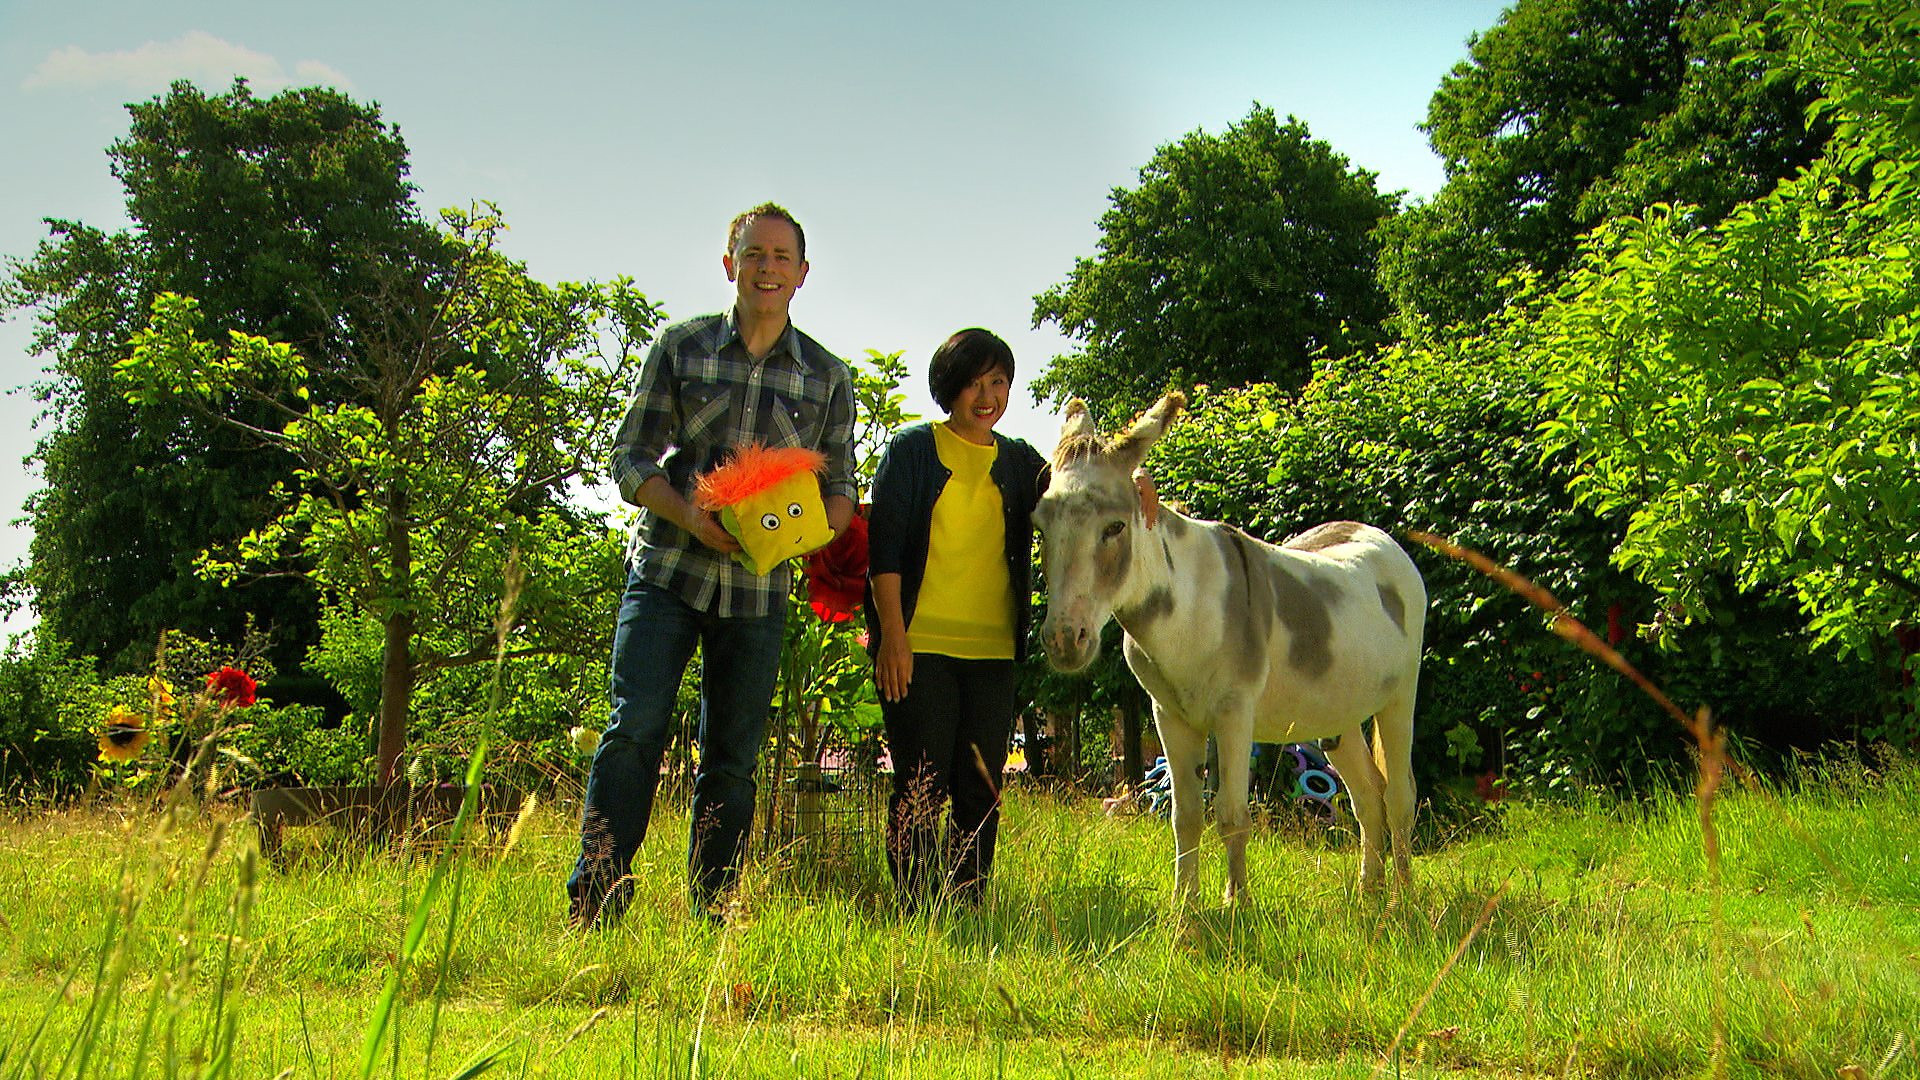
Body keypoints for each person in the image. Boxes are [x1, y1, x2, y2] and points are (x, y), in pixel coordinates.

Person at [568, 203, 856, 926]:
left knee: (731, 756)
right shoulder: (681, 347)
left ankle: (713, 908)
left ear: (802, 275)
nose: (767, 268)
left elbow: (842, 490)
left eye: (781, 257)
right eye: (753, 254)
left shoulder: (828, 376)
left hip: (759, 594)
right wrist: (691, 513)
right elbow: (629, 456)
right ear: (729, 265)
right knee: (634, 727)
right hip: (668, 573)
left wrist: (812, 533)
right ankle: (597, 899)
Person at [865, 328, 1154, 908]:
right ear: (950, 386)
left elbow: (1078, 491)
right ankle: (915, 910)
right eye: (974, 381)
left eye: (998, 381)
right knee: (919, 786)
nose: (987, 395)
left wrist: (1133, 479)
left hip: (993, 653)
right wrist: (892, 640)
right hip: (918, 648)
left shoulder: (1020, 463)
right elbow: (885, 554)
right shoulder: (912, 451)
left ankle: (968, 907)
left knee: (981, 789)